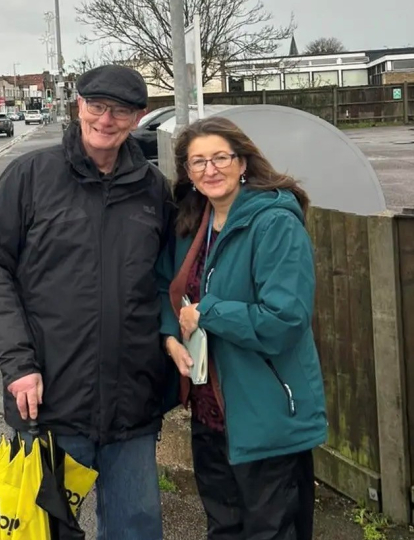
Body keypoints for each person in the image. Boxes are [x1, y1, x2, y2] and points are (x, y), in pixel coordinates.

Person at [0, 65, 175, 540]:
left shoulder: (153, 190)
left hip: (133, 402)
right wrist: (18, 364)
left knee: (137, 529)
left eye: (121, 110)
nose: (107, 119)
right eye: (97, 106)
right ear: (78, 105)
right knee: (48, 531)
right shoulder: (31, 177)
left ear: (138, 117)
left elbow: (168, 281)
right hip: (51, 397)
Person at [158, 116, 328, 540]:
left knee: (271, 531)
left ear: (243, 162)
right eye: (198, 162)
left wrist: (208, 313)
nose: (209, 170)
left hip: (265, 411)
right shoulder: (193, 224)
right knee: (224, 528)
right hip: (209, 410)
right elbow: (168, 286)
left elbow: (284, 320)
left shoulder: (274, 223)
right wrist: (168, 336)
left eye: (220, 157)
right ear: (188, 173)